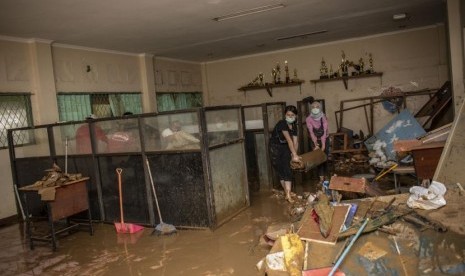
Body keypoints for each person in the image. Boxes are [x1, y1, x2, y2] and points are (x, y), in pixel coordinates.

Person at [269, 105, 301, 202]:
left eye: (292, 115)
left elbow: (295, 142)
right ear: (285, 115)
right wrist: (294, 155)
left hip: (285, 147)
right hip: (275, 148)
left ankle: (288, 194)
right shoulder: (282, 123)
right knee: (281, 170)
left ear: (295, 116)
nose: (290, 117)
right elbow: (289, 140)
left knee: (287, 169)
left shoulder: (294, 126)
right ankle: (287, 192)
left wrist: (294, 154)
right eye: (288, 115)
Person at [305, 101, 329, 179]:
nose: (315, 109)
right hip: (314, 139)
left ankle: (326, 175)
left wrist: (323, 146)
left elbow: (324, 132)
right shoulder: (308, 119)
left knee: (325, 155)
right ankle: (321, 177)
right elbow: (311, 132)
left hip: (325, 138)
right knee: (318, 157)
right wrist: (316, 144)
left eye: (317, 107)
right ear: (310, 109)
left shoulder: (323, 117)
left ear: (320, 108)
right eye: (313, 107)